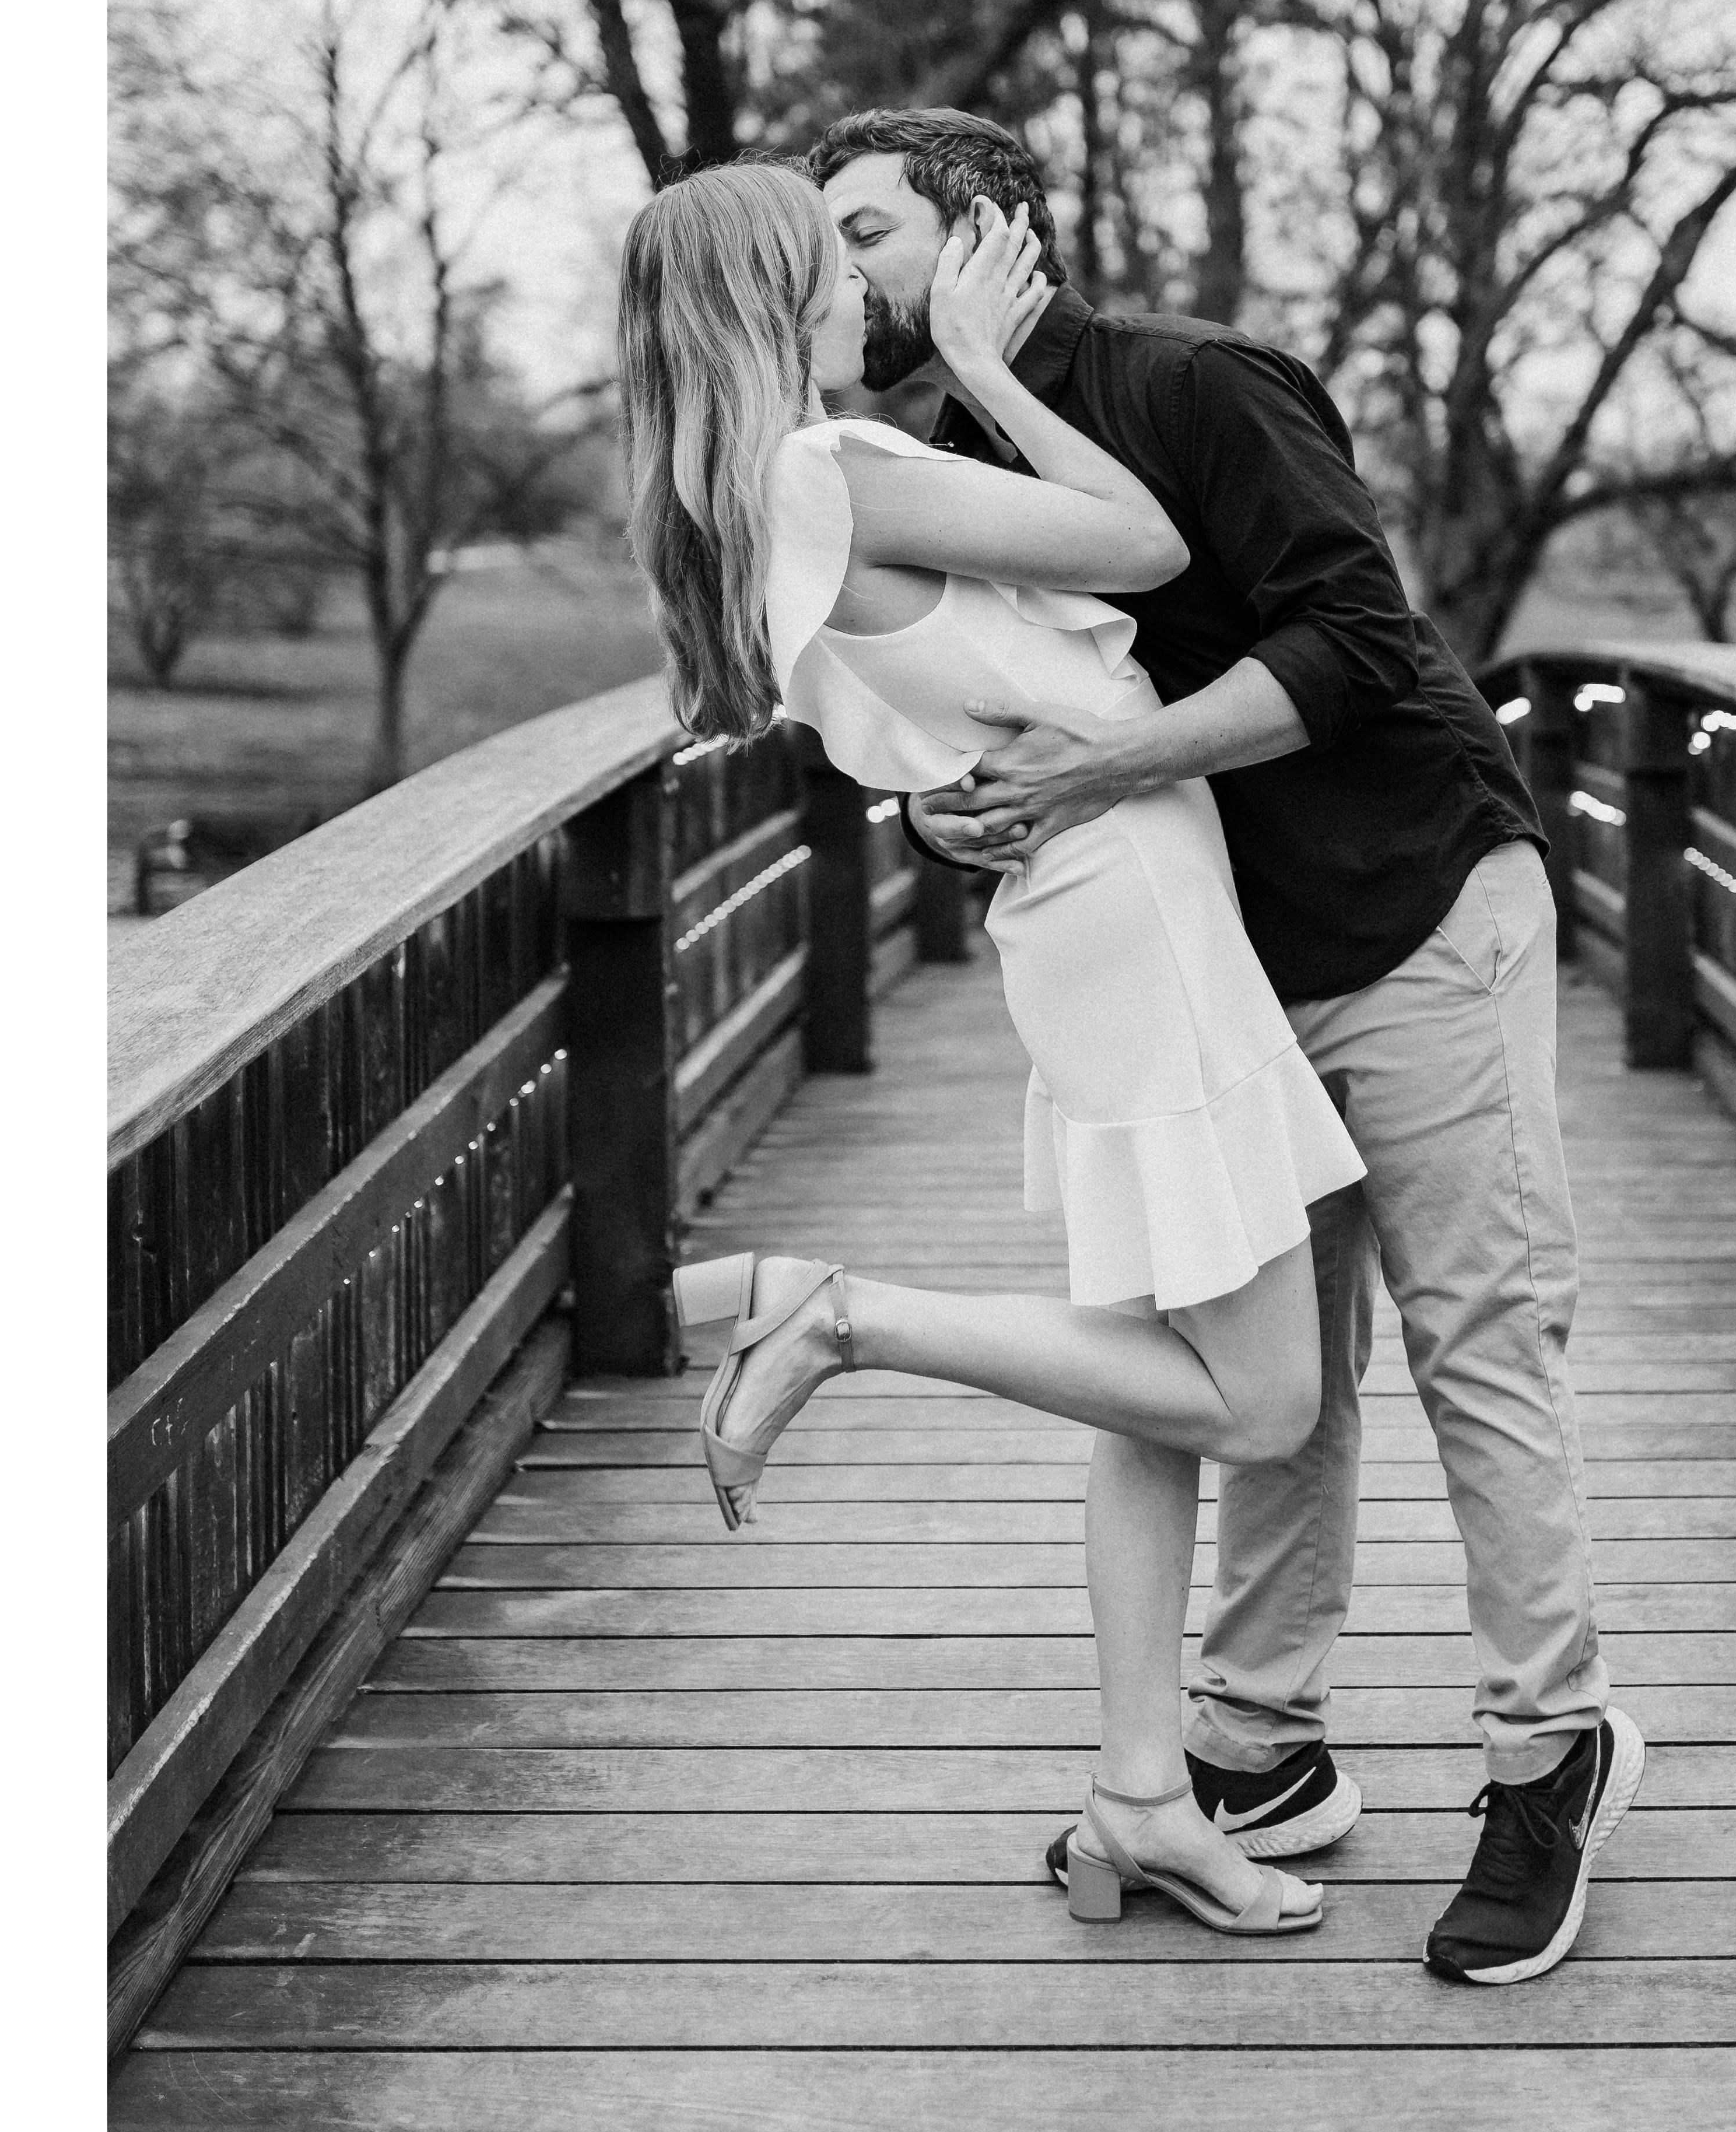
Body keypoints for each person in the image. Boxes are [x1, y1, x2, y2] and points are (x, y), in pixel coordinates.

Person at [808, 105, 1644, 1989]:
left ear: (987, 229)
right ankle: (1264, 1744)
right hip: (1221, 972)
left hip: (1413, 899)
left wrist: (1104, 767)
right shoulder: (949, 464)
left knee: (1478, 1332)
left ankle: (1551, 1746)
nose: (835, 274)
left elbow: (1358, 642)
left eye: (866, 230)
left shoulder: (1197, 386)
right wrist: (942, 811)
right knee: (1272, 1363)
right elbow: (1011, 716)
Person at [619, 157, 1370, 1941]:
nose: (856, 296)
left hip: (1088, 912)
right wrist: (984, 358)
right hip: (1138, 909)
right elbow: (1147, 546)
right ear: (769, 298)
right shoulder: (834, 466)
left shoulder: (742, 505)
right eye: (828, 266)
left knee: (1152, 1382)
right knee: (1265, 1398)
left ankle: (1141, 1799)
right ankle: (840, 1315)